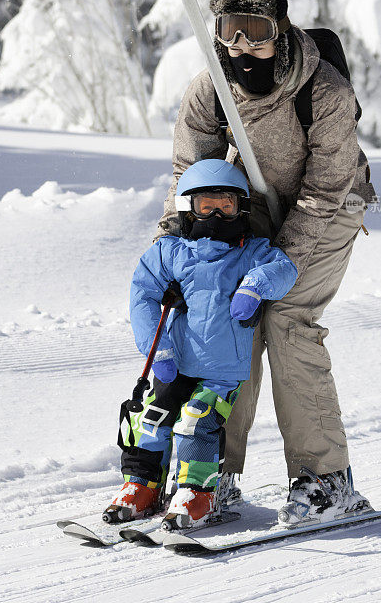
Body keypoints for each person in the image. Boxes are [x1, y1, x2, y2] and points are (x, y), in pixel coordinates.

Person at [154, 0, 376, 525]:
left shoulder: (324, 91)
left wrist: (281, 261)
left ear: (279, 28)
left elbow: (326, 190)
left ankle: (325, 480)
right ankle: (209, 474)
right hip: (252, 203)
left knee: (286, 316)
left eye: (256, 31)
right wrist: (169, 254)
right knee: (222, 317)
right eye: (230, 31)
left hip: (331, 206)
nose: (242, 46)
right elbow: (192, 175)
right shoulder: (213, 87)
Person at [105, 159, 297, 529]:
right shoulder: (170, 252)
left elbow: (283, 268)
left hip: (223, 371)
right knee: (150, 418)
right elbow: (142, 294)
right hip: (173, 360)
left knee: (195, 422)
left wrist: (255, 285)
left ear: (240, 208)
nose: (216, 215)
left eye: (226, 206)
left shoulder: (252, 251)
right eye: (205, 206)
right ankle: (142, 485)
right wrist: (156, 347)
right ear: (187, 211)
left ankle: (197, 493)